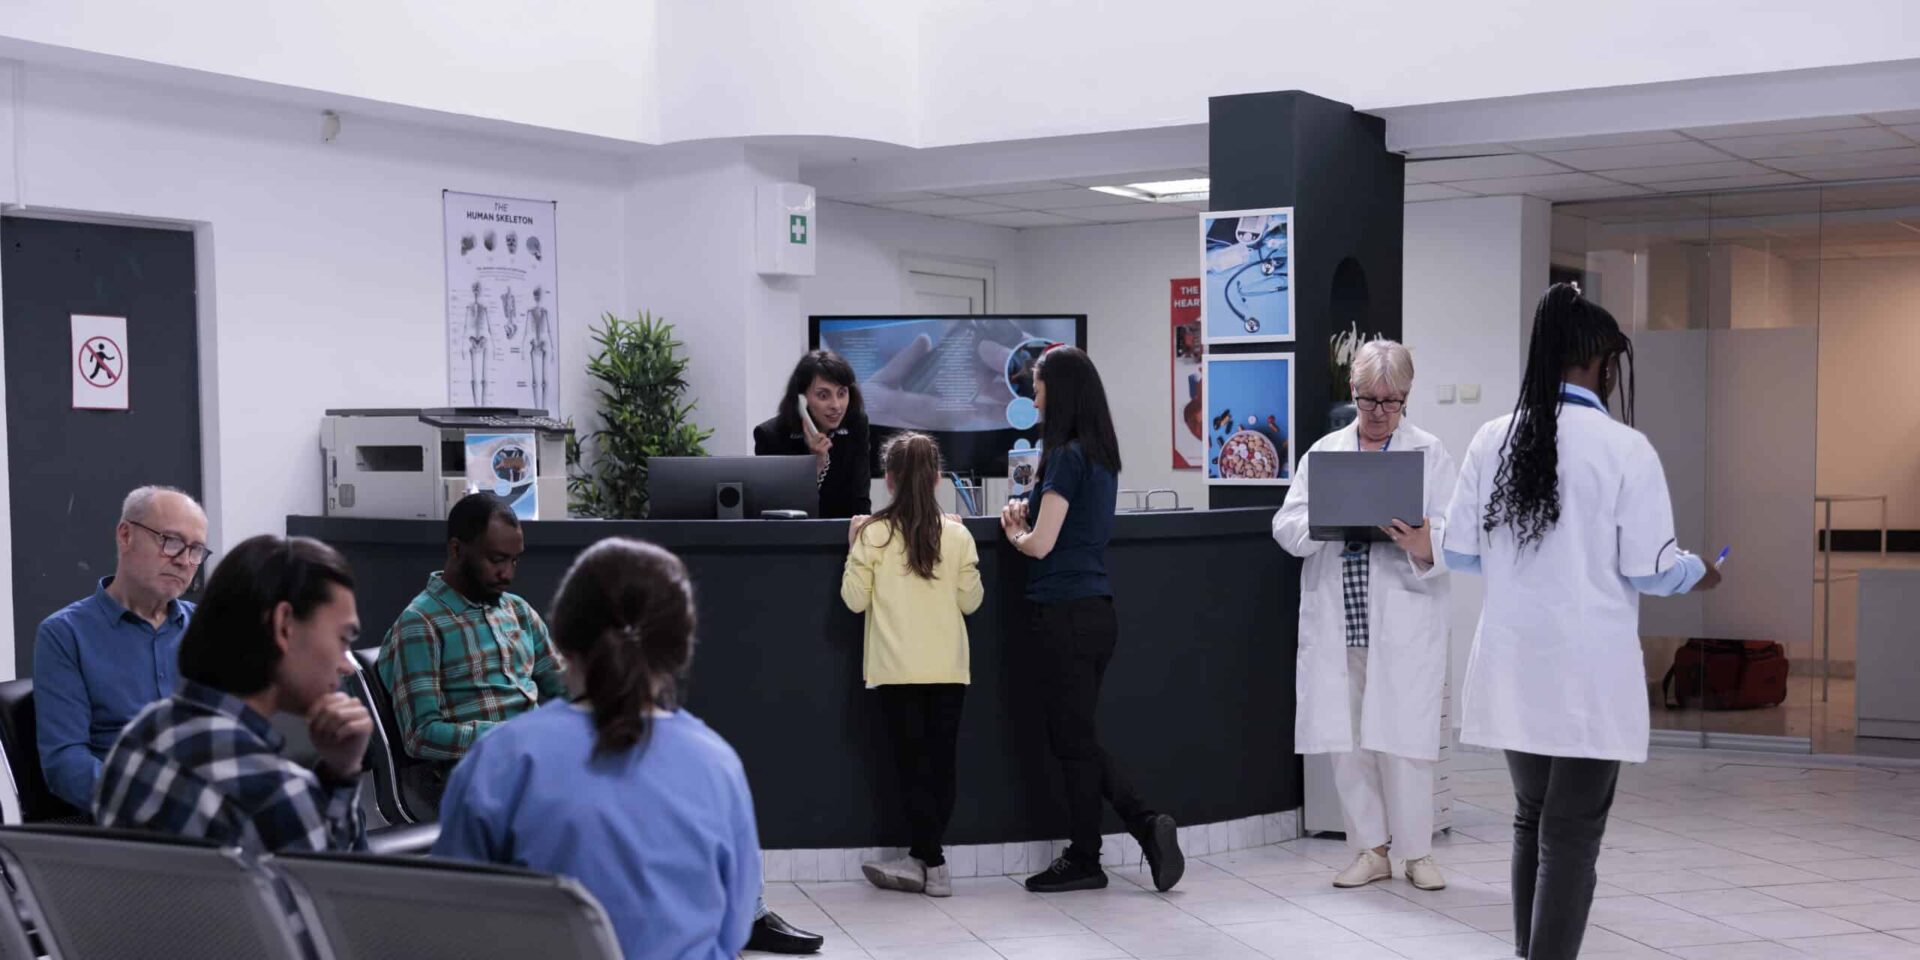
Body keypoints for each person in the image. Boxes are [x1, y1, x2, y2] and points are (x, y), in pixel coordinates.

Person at [1442, 284, 1722, 960]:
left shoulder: (1491, 440)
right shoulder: (1625, 449)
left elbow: (1458, 551)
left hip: (1512, 662)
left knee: (1531, 818)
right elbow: (1652, 570)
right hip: (1588, 674)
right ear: (1602, 363)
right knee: (1570, 835)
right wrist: (1701, 571)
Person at [434, 538, 761, 960]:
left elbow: (451, 924)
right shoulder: (718, 765)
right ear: (680, 649)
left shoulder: (501, 758)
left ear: (563, 635)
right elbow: (733, 928)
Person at [998, 346, 1184, 894]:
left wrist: (1014, 529)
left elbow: (1040, 544)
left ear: (1060, 391)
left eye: (1037, 385)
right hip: (1095, 613)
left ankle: (1121, 835)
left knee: (1072, 741)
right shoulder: (1100, 456)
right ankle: (1105, 845)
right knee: (1074, 738)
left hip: (1063, 614)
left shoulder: (1066, 457)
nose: (1032, 394)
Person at [1272, 340, 1455, 892]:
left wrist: (1426, 540)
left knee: (1405, 740)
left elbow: (1456, 534)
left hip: (1403, 619)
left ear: (1406, 397)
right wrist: (1320, 524)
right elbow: (1287, 522)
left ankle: (1417, 853)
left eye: (1390, 402)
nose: (1378, 412)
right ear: (1352, 393)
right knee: (1349, 742)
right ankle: (1369, 849)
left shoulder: (1431, 453)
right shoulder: (1323, 452)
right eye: (1368, 400)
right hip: (1341, 620)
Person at [93, 534, 370, 855]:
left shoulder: (136, 738)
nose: (346, 665)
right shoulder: (277, 794)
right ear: (284, 626)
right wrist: (345, 779)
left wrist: (338, 772)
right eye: (343, 638)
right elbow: (345, 899)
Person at [841, 433, 984, 898]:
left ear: (889, 479)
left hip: (895, 670)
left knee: (911, 767)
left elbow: (853, 600)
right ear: (937, 478)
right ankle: (926, 858)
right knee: (941, 766)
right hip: (948, 669)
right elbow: (971, 602)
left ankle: (933, 863)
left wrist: (852, 545)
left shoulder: (873, 533)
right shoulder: (958, 534)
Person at [35, 485, 209, 812]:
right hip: (127, 822)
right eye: (171, 542)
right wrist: (158, 805)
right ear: (126, 535)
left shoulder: (207, 627)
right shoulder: (65, 634)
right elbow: (65, 765)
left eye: (196, 549)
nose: (185, 561)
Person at [377, 493, 567, 780]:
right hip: (482, 773)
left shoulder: (518, 610)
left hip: (536, 759)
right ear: (456, 550)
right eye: (497, 560)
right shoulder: (420, 623)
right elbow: (420, 735)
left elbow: (563, 687)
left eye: (514, 561)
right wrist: (512, 735)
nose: (508, 573)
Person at [754, 350, 872, 519]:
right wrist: (814, 466)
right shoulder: (771, 436)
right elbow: (774, 513)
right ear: (802, 399)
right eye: (824, 395)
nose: (836, 405)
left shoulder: (856, 425)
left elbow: (861, 502)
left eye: (841, 393)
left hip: (845, 537)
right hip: (793, 539)